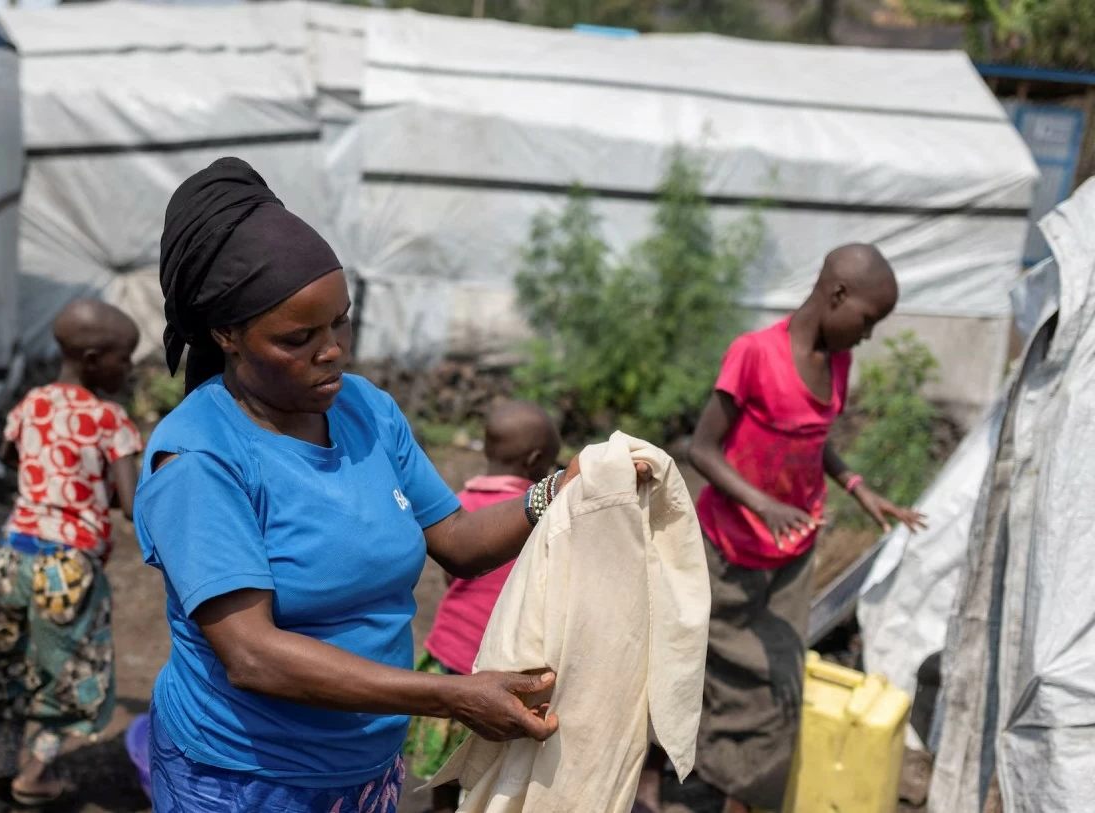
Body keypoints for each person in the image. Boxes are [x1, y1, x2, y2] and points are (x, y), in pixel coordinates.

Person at [137, 158, 647, 813]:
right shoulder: (199, 457)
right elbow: (253, 654)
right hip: (244, 775)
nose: (333, 352)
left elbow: (457, 539)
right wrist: (448, 695)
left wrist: (561, 488)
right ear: (227, 334)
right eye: (300, 337)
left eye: (339, 323)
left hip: (365, 764)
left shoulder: (364, 410)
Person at [634, 244, 927, 813]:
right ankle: (655, 770)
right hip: (727, 547)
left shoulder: (837, 362)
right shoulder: (754, 354)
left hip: (790, 554)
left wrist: (860, 487)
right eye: (867, 321)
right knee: (691, 660)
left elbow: (813, 445)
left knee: (776, 680)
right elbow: (703, 448)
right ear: (837, 295)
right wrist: (763, 504)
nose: (866, 337)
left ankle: (734, 788)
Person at [0, 299, 143, 807]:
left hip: (11, 555)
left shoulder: (33, 402)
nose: (128, 369)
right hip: (67, 567)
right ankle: (36, 773)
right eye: (123, 358)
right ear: (91, 358)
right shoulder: (111, 420)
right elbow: (130, 506)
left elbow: (10, 457)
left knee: (5, 666)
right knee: (64, 674)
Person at [405, 401, 562, 813]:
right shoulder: (536, 516)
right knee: (491, 774)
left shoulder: (456, 504)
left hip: (448, 656)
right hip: (500, 666)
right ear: (535, 461)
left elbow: (452, 576)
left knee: (445, 770)